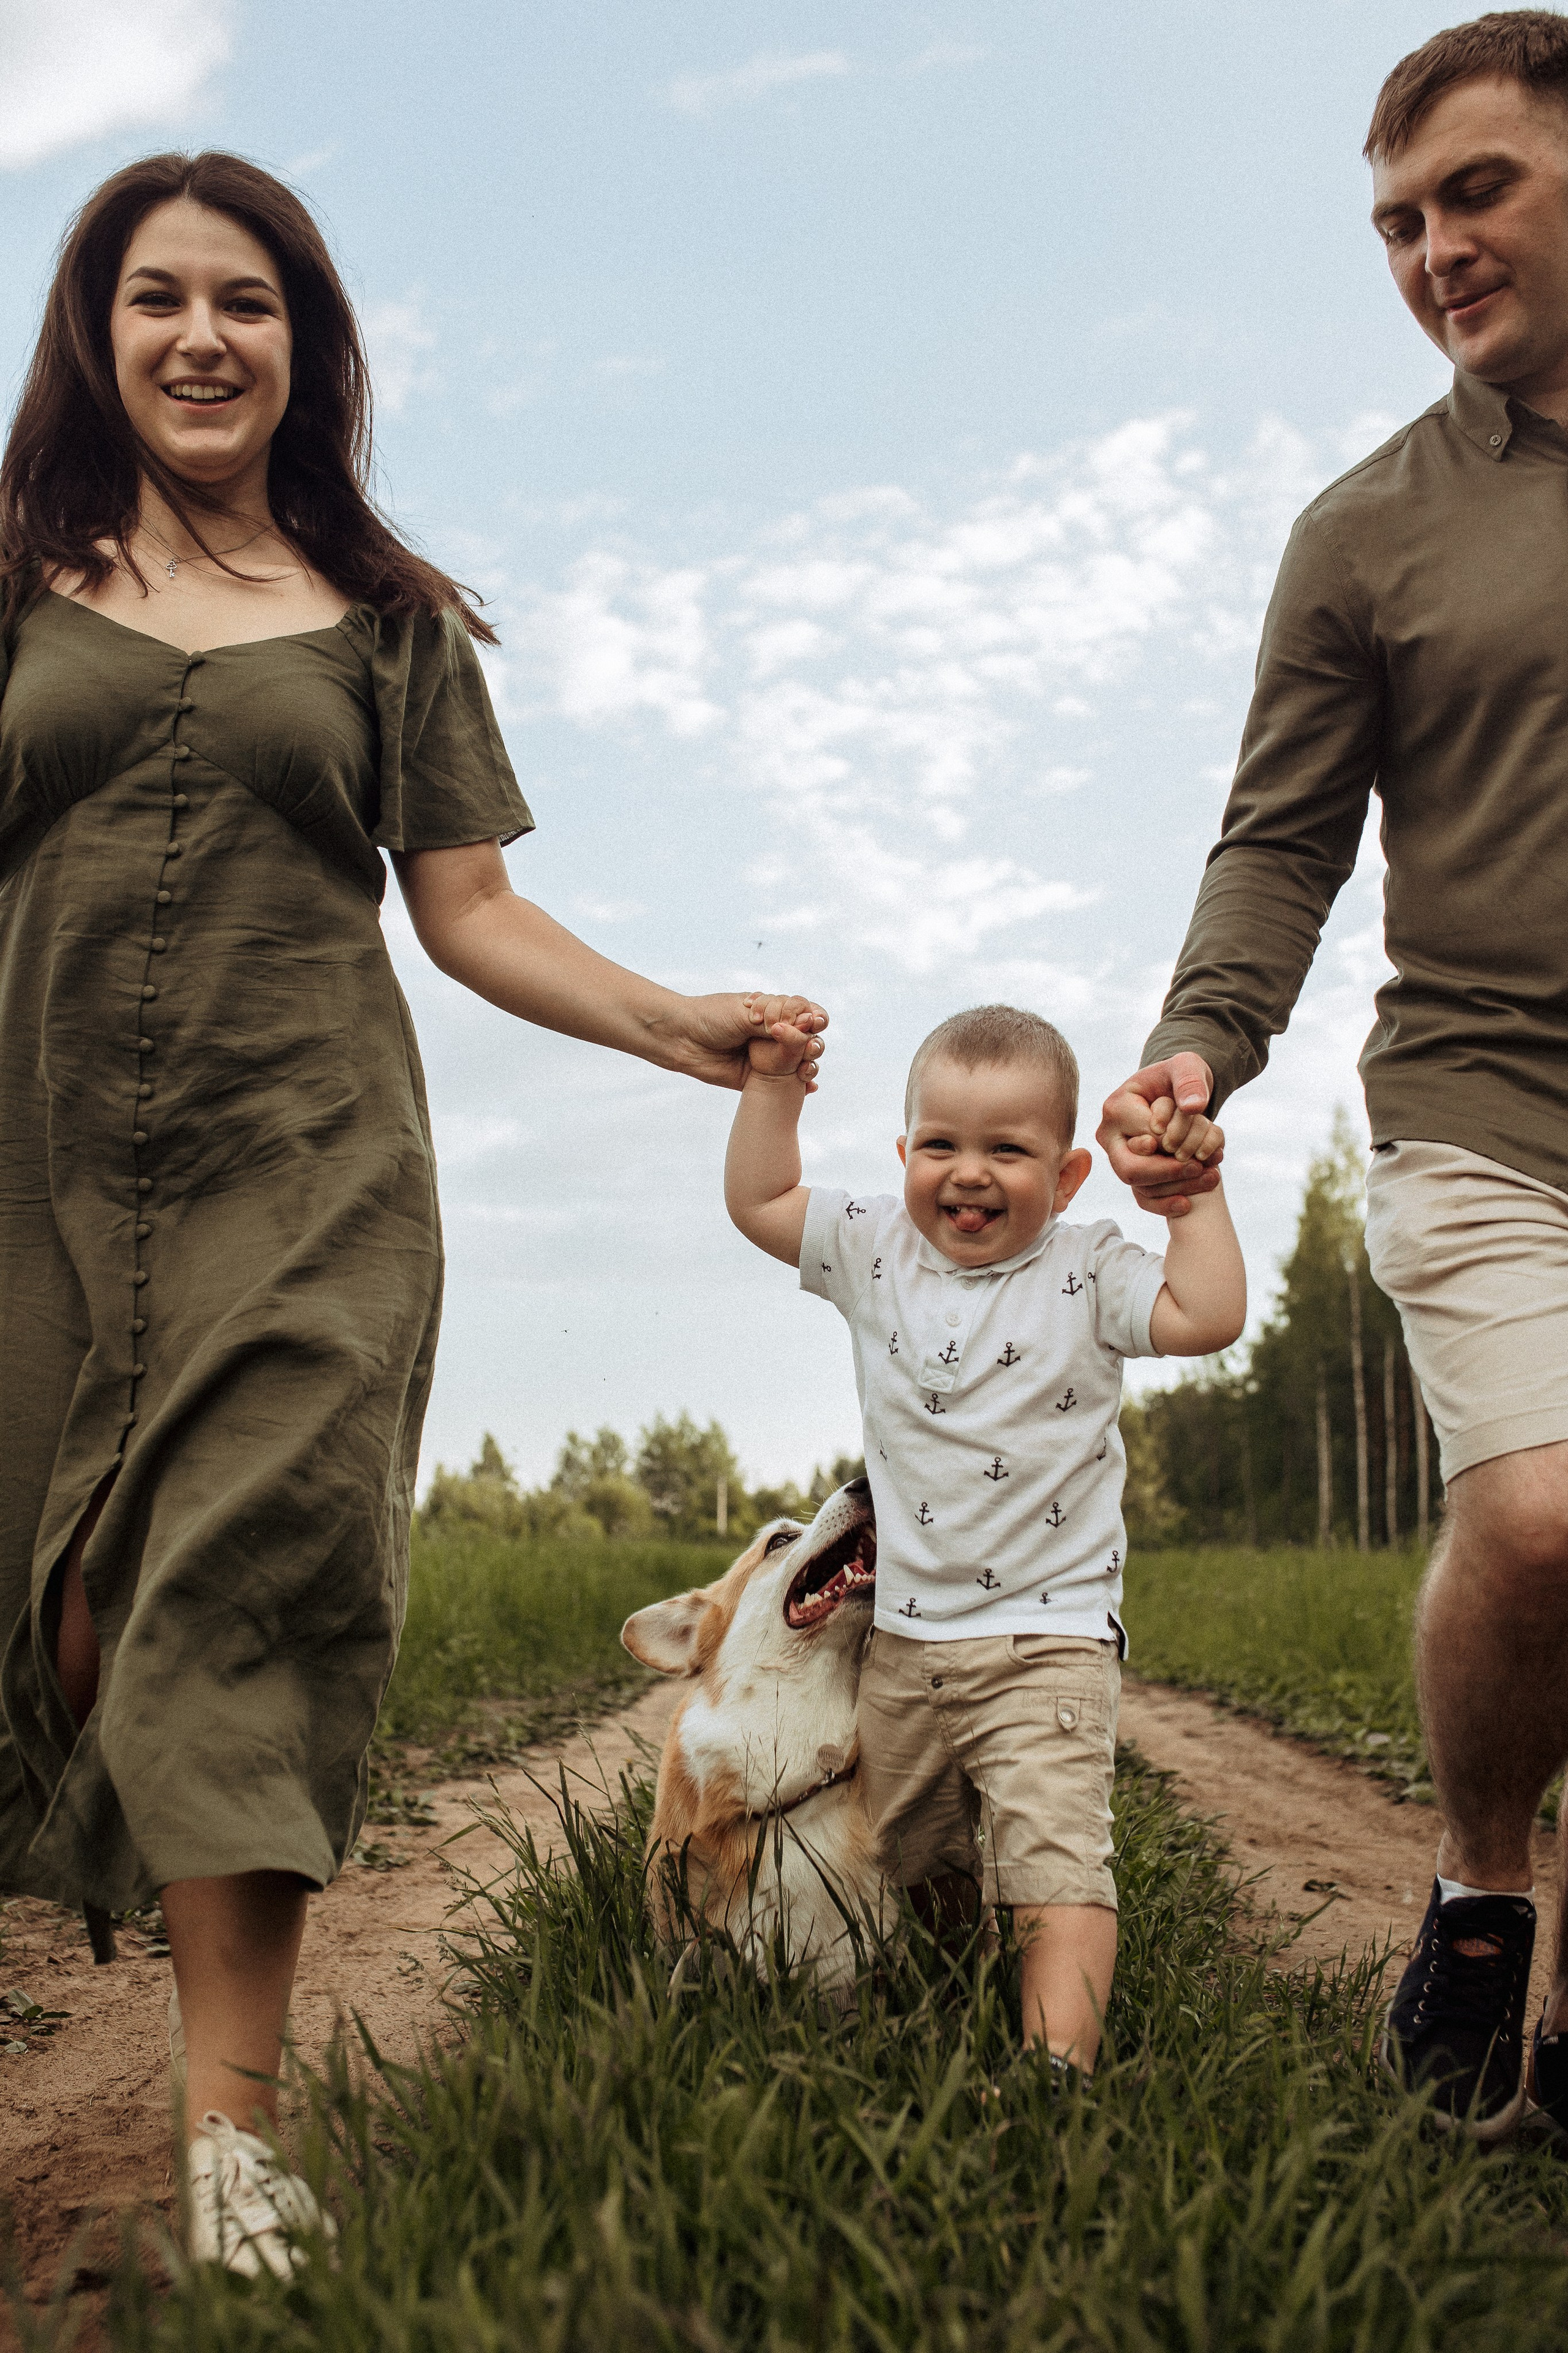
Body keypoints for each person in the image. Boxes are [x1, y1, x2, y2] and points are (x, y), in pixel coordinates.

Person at [0, 149, 826, 2276]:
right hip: (34, 1172)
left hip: (307, 1169)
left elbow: (469, 910)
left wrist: (676, 1021)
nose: (204, 337)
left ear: (308, 346)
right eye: (161, 297)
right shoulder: (16, 581)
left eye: (248, 303)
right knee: (62, 1614)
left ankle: (234, 2143)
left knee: (236, 1603)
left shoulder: (388, 621)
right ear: (98, 332)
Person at [1096, 11, 1568, 2142]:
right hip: (1487, 1094)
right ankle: (1479, 1886)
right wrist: (1200, 1041)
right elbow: (1283, 839)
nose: (1433, 249)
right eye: (1396, 221)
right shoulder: (1368, 529)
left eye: (1476, 191)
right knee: (1544, 1523)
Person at [726, 1002, 1245, 2072]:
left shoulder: (1089, 1269)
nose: (968, 1172)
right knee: (913, 1856)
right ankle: (956, 2002)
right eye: (941, 1144)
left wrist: (1189, 1198)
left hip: (1050, 1639)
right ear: (903, 1154)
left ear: (1067, 1176)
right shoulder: (873, 1246)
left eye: (1008, 1149)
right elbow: (760, 1199)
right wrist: (773, 1087)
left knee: (1054, 1865)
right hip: (906, 1642)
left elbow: (1208, 1314)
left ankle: (1056, 2073)